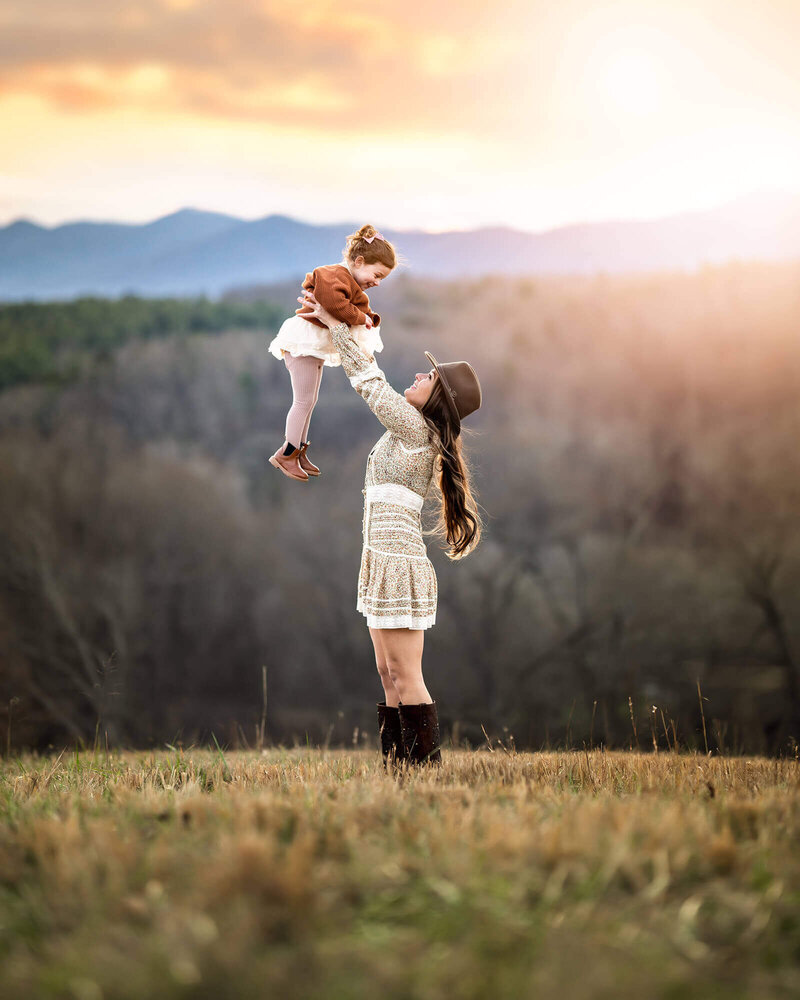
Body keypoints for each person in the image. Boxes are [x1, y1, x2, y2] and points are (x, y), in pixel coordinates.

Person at [299, 286, 483, 770]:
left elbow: (368, 381)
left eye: (430, 376)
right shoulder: (409, 428)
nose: (420, 373)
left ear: (436, 398)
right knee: (387, 672)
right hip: (379, 558)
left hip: (399, 564)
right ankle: (398, 772)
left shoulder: (414, 427)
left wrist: (336, 324)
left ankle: (424, 771)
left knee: (405, 673)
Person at [267, 224, 397, 481]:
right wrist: (361, 317)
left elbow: (360, 307)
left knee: (310, 400)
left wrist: (370, 317)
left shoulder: (350, 283)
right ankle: (286, 453)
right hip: (302, 342)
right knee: (302, 400)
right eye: (377, 274)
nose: (378, 282)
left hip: (312, 346)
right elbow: (335, 305)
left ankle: (299, 450)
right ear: (359, 261)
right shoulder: (332, 274)